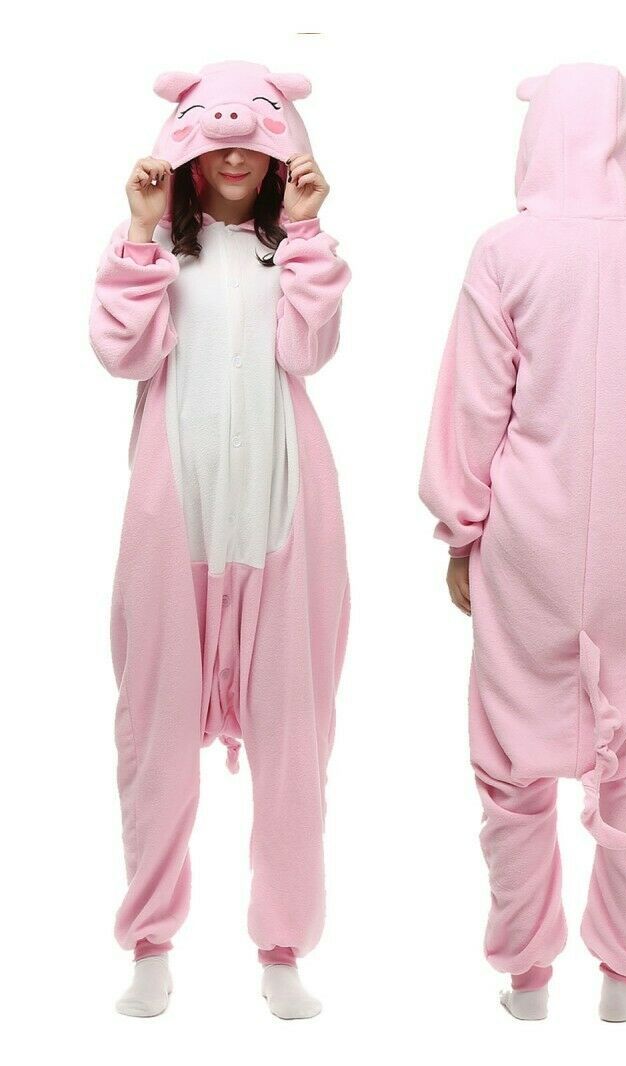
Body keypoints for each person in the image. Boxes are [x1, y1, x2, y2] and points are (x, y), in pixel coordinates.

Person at [419, 63, 626, 1022]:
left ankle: (526, 976)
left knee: (508, 759)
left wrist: (462, 528)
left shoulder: (505, 250)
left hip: (525, 537)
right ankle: (624, 976)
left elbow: (475, 403)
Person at [90, 60, 350, 1020]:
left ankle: (282, 948)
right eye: (215, 139)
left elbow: (309, 350)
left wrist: (309, 229)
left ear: (280, 152)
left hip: (283, 515)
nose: (235, 154)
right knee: (153, 738)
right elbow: (124, 353)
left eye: (253, 141)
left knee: (294, 743)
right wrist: (140, 230)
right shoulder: (157, 250)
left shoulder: (296, 251)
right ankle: (150, 943)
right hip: (177, 524)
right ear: (187, 149)